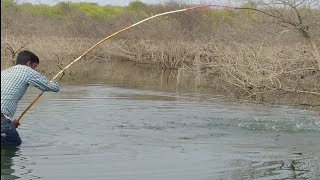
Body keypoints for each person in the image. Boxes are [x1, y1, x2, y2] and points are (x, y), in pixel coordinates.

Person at [1, 50, 60, 146]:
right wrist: (56, 81)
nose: (35, 70)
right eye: (35, 66)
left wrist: (10, 125)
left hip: (3, 118)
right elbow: (54, 87)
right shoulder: (27, 70)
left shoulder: (4, 72)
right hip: (2, 117)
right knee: (13, 143)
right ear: (29, 63)